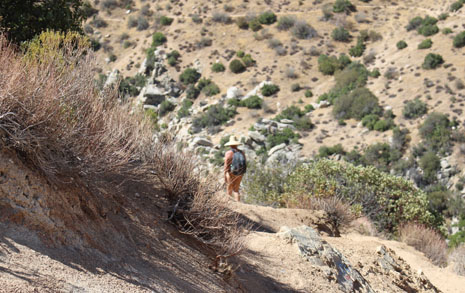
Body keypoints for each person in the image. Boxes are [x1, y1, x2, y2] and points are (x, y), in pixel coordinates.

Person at [223, 136, 246, 202]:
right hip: (240, 172)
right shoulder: (242, 152)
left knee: (229, 189)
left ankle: (228, 203)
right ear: (236, 144)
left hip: (230, 172)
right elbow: (244, 163)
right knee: (236, 190)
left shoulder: (228, 153)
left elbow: (226, 164)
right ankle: (238, 204)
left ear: (230, 144)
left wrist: (225, 174)